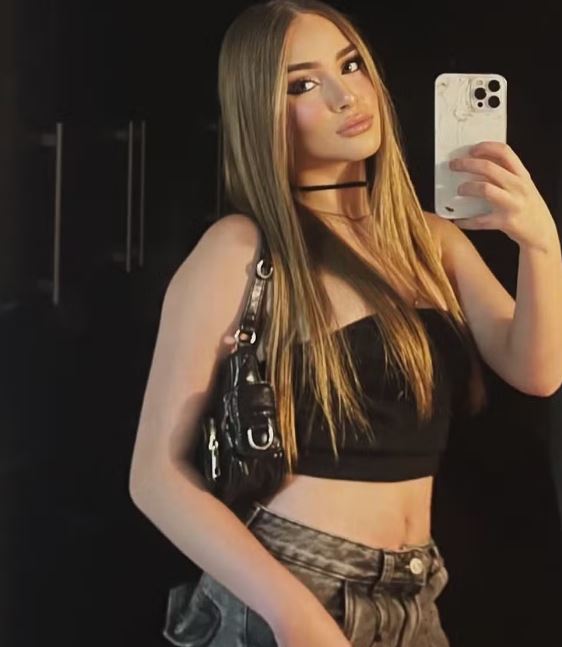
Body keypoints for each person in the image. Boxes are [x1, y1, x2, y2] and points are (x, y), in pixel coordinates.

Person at [128, 1, 562, 645]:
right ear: (262, 112)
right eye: (303, 84)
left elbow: (537, 371)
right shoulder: (242, 248)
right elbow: (155, 477)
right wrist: (294, 614)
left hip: (416, 597)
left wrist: (541, 245)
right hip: (290, 587)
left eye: (351, 65)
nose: (344, 95)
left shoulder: (431, 242)